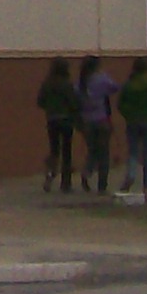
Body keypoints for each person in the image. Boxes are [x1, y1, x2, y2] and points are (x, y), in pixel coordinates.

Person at [117, 57, 147, 197]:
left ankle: (130, 175)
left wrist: (128, 115)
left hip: (132, 122)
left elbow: (120, 104)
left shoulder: (128, 85)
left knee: (133, 151)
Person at [37, 57, 80, 193]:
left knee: (54, 149)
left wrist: (50, 108)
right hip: (66, 120)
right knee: (66, 151)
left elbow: (40, 101)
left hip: (52, 119)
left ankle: (50, 174)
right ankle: (66, 183)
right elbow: (73, 103)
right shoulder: (67, 84)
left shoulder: (47, 83)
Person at [77, 54, 120, 193]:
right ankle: (102, 185)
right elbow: (115, 87)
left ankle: (86, 172)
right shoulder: (101, 79)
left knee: (92, 151)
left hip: (87, 122)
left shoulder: (80, 83)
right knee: (104, 153)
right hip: (102, 120)